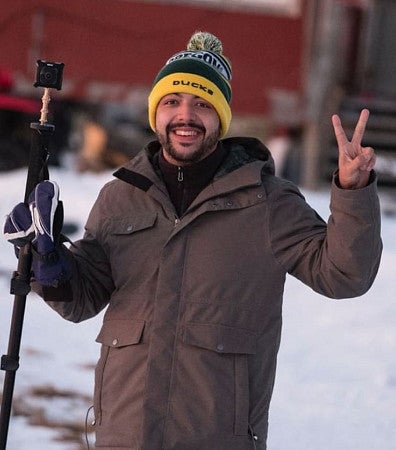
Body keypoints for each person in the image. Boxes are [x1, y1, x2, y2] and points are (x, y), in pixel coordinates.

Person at [4, 31, 382, 450]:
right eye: (172, 102)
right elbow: (83, 298)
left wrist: (353, 191)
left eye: (202, 103)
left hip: (217, 438)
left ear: (221, 116)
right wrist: (49, 263)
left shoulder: (268, 201)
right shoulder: (121, 197)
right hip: (124, 437)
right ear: (156, 113)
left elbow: (345, 275)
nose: (186, 115)